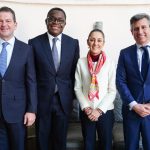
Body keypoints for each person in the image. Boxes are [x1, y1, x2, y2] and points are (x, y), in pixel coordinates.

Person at [28, 7, 80, 150]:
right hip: (42, 99)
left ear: (65, 23)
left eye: (60, 20)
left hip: (64, 100)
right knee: (42, 140)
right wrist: (32, 103)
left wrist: (74, 98)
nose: (56, 22)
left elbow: (75, 73)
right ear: (46, 21)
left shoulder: (73, 43)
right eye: (52, 19)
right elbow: (31, 75)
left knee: (60, 141)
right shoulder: (34, 43)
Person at [0, 6, 37, 150]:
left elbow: (31, 81)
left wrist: (32, 110)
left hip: (18, 111)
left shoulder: (26, 49)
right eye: (0, 21)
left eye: (8, 21)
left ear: (15, 24)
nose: (4, 24)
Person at [74, 29, 116, 150]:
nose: (95, 43)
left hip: (105, 111)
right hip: (87, 111)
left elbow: (112, 90)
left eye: (99, 40)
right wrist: (86, 108)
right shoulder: (81, 62)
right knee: (88, 145)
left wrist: (99, 110)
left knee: (106, 145)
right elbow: (77, 88)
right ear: (88, 41)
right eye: (92, 40)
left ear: (103, 43)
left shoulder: (110, 62)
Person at [116, 13, 150, 150]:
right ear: (131, 32)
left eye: (143, 27)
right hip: (131, 112)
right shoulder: (125, 53)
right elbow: (120, 81)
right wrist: (134, 105)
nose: (140, 32)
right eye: (136, 29)